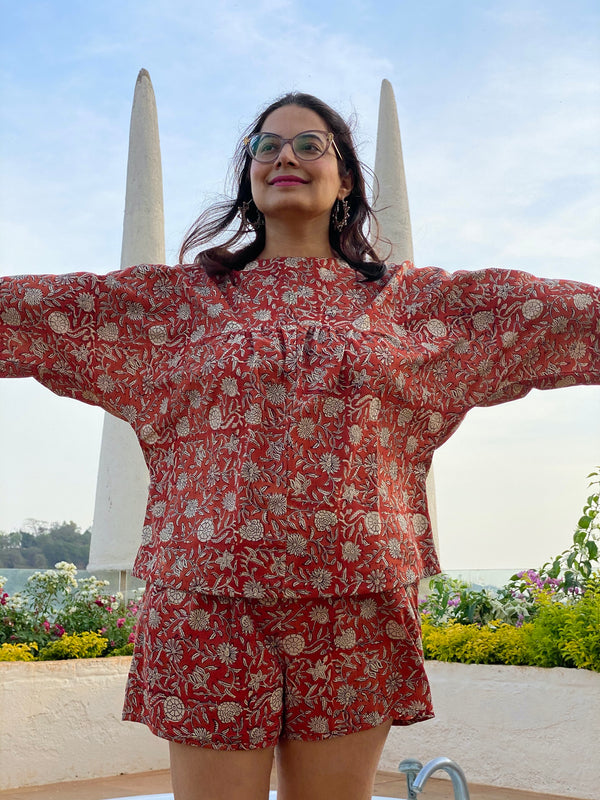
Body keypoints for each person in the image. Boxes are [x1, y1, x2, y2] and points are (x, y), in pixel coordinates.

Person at [0, 91, 599, 800]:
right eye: (266, 145)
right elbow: (29, 311)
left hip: (357, 602)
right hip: (205, 600)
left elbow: (563, 317)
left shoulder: (415, 304)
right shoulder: (173, 305)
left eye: (310, 144)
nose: (285, 155)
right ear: (248, 178)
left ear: (345, 178)